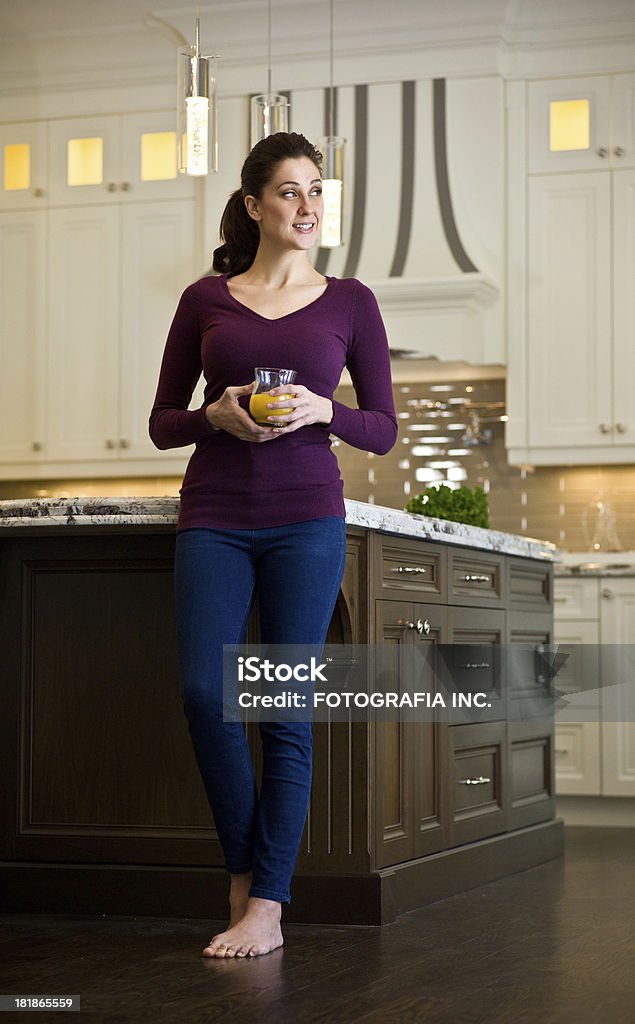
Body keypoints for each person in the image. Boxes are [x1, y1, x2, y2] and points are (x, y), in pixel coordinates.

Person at [149, 131, 397, 959]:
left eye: (315, 191)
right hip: (214, 511)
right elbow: (160, 424)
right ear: (255, 206)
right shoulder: (204, 299)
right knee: (203, 694)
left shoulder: (350, 301)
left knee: (286, 711)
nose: (307, 206)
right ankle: (245, 873)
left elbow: (383, 430)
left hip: (306, 516)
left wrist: (326, 412)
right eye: (289, 192)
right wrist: (211, 417)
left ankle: (264, 902)